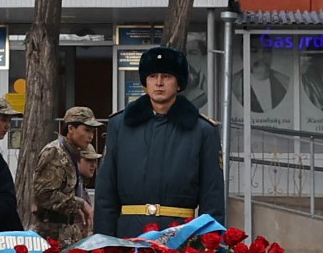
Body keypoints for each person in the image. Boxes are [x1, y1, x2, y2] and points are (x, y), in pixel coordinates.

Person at [90, 45, 225, 237]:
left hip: (180, 237)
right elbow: (105, 192)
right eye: (153, 76)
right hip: (129, 235)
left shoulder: (203, 130)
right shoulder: (120, 125)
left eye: (166, 76)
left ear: (179, 83)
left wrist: (209, 249)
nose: (159, 83)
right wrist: (103, 243)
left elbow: (212, 196)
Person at [28, 107, 101, 251]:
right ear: (71, 129)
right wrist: (80, 204)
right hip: (51, 236)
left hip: (66, 234)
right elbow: (44, 194)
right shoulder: (54, 152)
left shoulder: (71, 154)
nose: (91, 136)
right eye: (86, 130)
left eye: (92, 131)